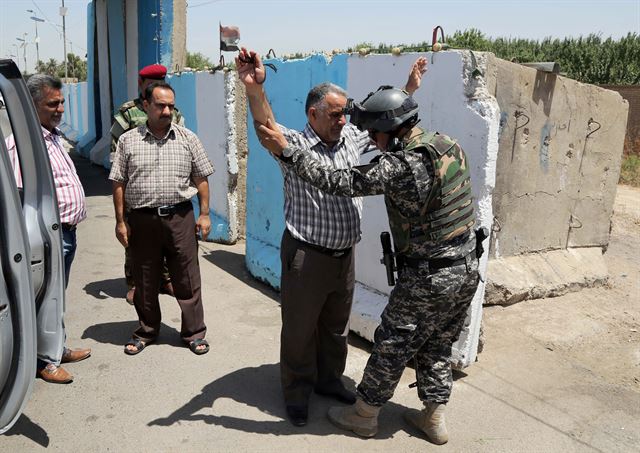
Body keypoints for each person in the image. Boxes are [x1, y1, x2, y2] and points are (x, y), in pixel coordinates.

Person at [255, 84, 480, 445]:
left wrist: (289, 155)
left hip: (430, 275)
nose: (370, 139)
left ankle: (365, 414)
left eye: (375, 132)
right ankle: (433, 416)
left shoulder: (401, 164)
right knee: (437, 344)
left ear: (391, 130)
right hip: (466, 268)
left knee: (393, 342)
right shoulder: (443, 143)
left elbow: (339, 181)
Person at [236, 47, 427, 427]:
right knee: (300, 328)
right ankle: (296, 392)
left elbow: (385, 122)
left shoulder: (352, 139)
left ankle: (328, 380)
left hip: (344, 255)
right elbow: (264, 125)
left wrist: (409, 88)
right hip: (306, 255)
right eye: (337, 113)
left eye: (345, 113)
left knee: (336, 327)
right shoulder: (293, 144)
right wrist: (255, 89)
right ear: (314, 114)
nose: (345, 119)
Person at [109, 81, 213, 356]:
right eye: (160, 105)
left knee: (187, 277)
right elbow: (118, 182)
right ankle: (147, 330)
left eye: (170, 106)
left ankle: (193, 332)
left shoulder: (188, 138)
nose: (167, 111)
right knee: (144, 278)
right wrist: (121, 221)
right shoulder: (128, 141)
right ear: (146, 106)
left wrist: (203, 214)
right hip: (142, 220)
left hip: (180, 217)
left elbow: (201, 178)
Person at [6, 74, 91, 384]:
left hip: (65, 233)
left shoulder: (51, 136)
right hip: (45, 237)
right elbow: (18, 196)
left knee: (57, 295)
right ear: (31, 105)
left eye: (62, 102)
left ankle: (57, 347)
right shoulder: (22, 145)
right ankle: (44, 361)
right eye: (52, 103)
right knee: (41, 298)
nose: (60, 109)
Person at [110, 64, 184, 304]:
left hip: (166, 186)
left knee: (165, 238)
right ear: (141, 84)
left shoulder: (175, 111)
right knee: (134, 240)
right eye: (150, 82)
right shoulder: (128, 112)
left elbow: (181, 142)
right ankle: (134, 282)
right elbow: (116, 148)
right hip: (137, 189)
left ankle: (164, 279)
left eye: (160, 81)